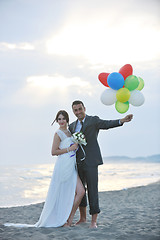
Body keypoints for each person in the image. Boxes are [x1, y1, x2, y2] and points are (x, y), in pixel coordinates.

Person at [4, 110, 85, 228]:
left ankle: (69, 219)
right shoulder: (58, 133)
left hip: (71, 165)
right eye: (59, 119)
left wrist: (76, 145)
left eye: (63, 118)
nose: (61, 121)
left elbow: (72, 147)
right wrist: (70, 149)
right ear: (57, 121)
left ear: (67, 119)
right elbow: (53, 152)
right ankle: (64, 221)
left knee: (81, 191)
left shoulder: (69, 132)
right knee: (62, 193)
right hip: (62, 166)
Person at [69, 100, 133, 228]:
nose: (78, 112)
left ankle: (93, 221)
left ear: (84, 108)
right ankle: (82, 218)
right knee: (80, 192)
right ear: (73, 111)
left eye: (80, 109)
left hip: (92, 161)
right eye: (75, 110)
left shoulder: (93, 120)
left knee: (93, 190)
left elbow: (106, 124)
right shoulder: (71, 126)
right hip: (77, 163)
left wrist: (122, 120)